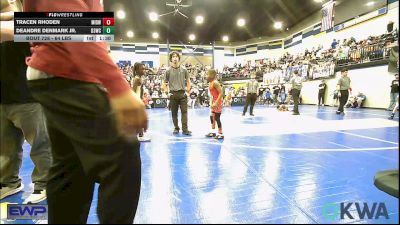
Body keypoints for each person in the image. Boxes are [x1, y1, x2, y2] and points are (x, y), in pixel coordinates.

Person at [2, 0, 148, 223]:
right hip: (66, 73)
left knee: (72, 169)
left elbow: (73, 26)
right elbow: (73, 28)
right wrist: (119, 88)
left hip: (57, 74)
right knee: (122, 154)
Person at [0, 0, 51, 204]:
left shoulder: (30, 20)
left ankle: (44, 183)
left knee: (40, 145)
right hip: (3, 96)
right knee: (5, 148)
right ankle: (9, 182)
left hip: (29, 95)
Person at [164, 51, 192, 135]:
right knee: (174, 113)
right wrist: (167, 93)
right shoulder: (168, 71)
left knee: (184, 112)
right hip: (173, 94)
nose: (175, 58)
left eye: (176, 56)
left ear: (179, 58)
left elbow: (188, 81)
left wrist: (187, 92)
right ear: (171, 59)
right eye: (173, 56)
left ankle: (185, 129)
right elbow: (164, 83)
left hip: (182, 93)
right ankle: (176, 128)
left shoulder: (184, 69)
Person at [132, 62, 151, 142]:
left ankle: (140, 135)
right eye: (142, 69)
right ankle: (140, 136)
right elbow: (133, 91)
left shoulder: (138, 77)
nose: (144, 70)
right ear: (137, 70)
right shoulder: (137, 79)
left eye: (144, 69)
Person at [205, 69, 224, 139]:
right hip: (214, 101)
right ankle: (213, 132)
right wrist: (212, 102)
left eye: (207, 74)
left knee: (217, 118)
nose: (206, 76)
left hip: (218, 102)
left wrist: (216, 102)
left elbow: (221, 93)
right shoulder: (210, 82)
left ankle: (221, 133)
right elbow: (212, 95)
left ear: (212, 75)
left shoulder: (215, 83)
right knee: (212, 117)